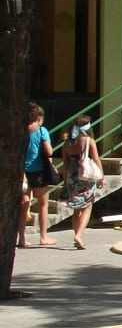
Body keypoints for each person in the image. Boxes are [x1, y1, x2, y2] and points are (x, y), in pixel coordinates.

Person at [61, 115, 104, 250]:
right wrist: (101, 176)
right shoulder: (89, 141)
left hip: (72, 177)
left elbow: (65, 164)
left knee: (76, 209)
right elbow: (96, 159)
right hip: (86, 177)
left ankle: (77, 236)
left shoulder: (67, 144)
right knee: (87, 207)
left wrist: (65, 180)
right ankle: (79, 236)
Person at [21, 102, 56, 247]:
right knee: (43, 204)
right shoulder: (42, 131)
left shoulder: (21, 131)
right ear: (39, 118)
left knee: (24, 205)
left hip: (22, 172)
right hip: (39, 170)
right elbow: (49, 151)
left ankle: (21, 238)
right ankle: (43, 237)